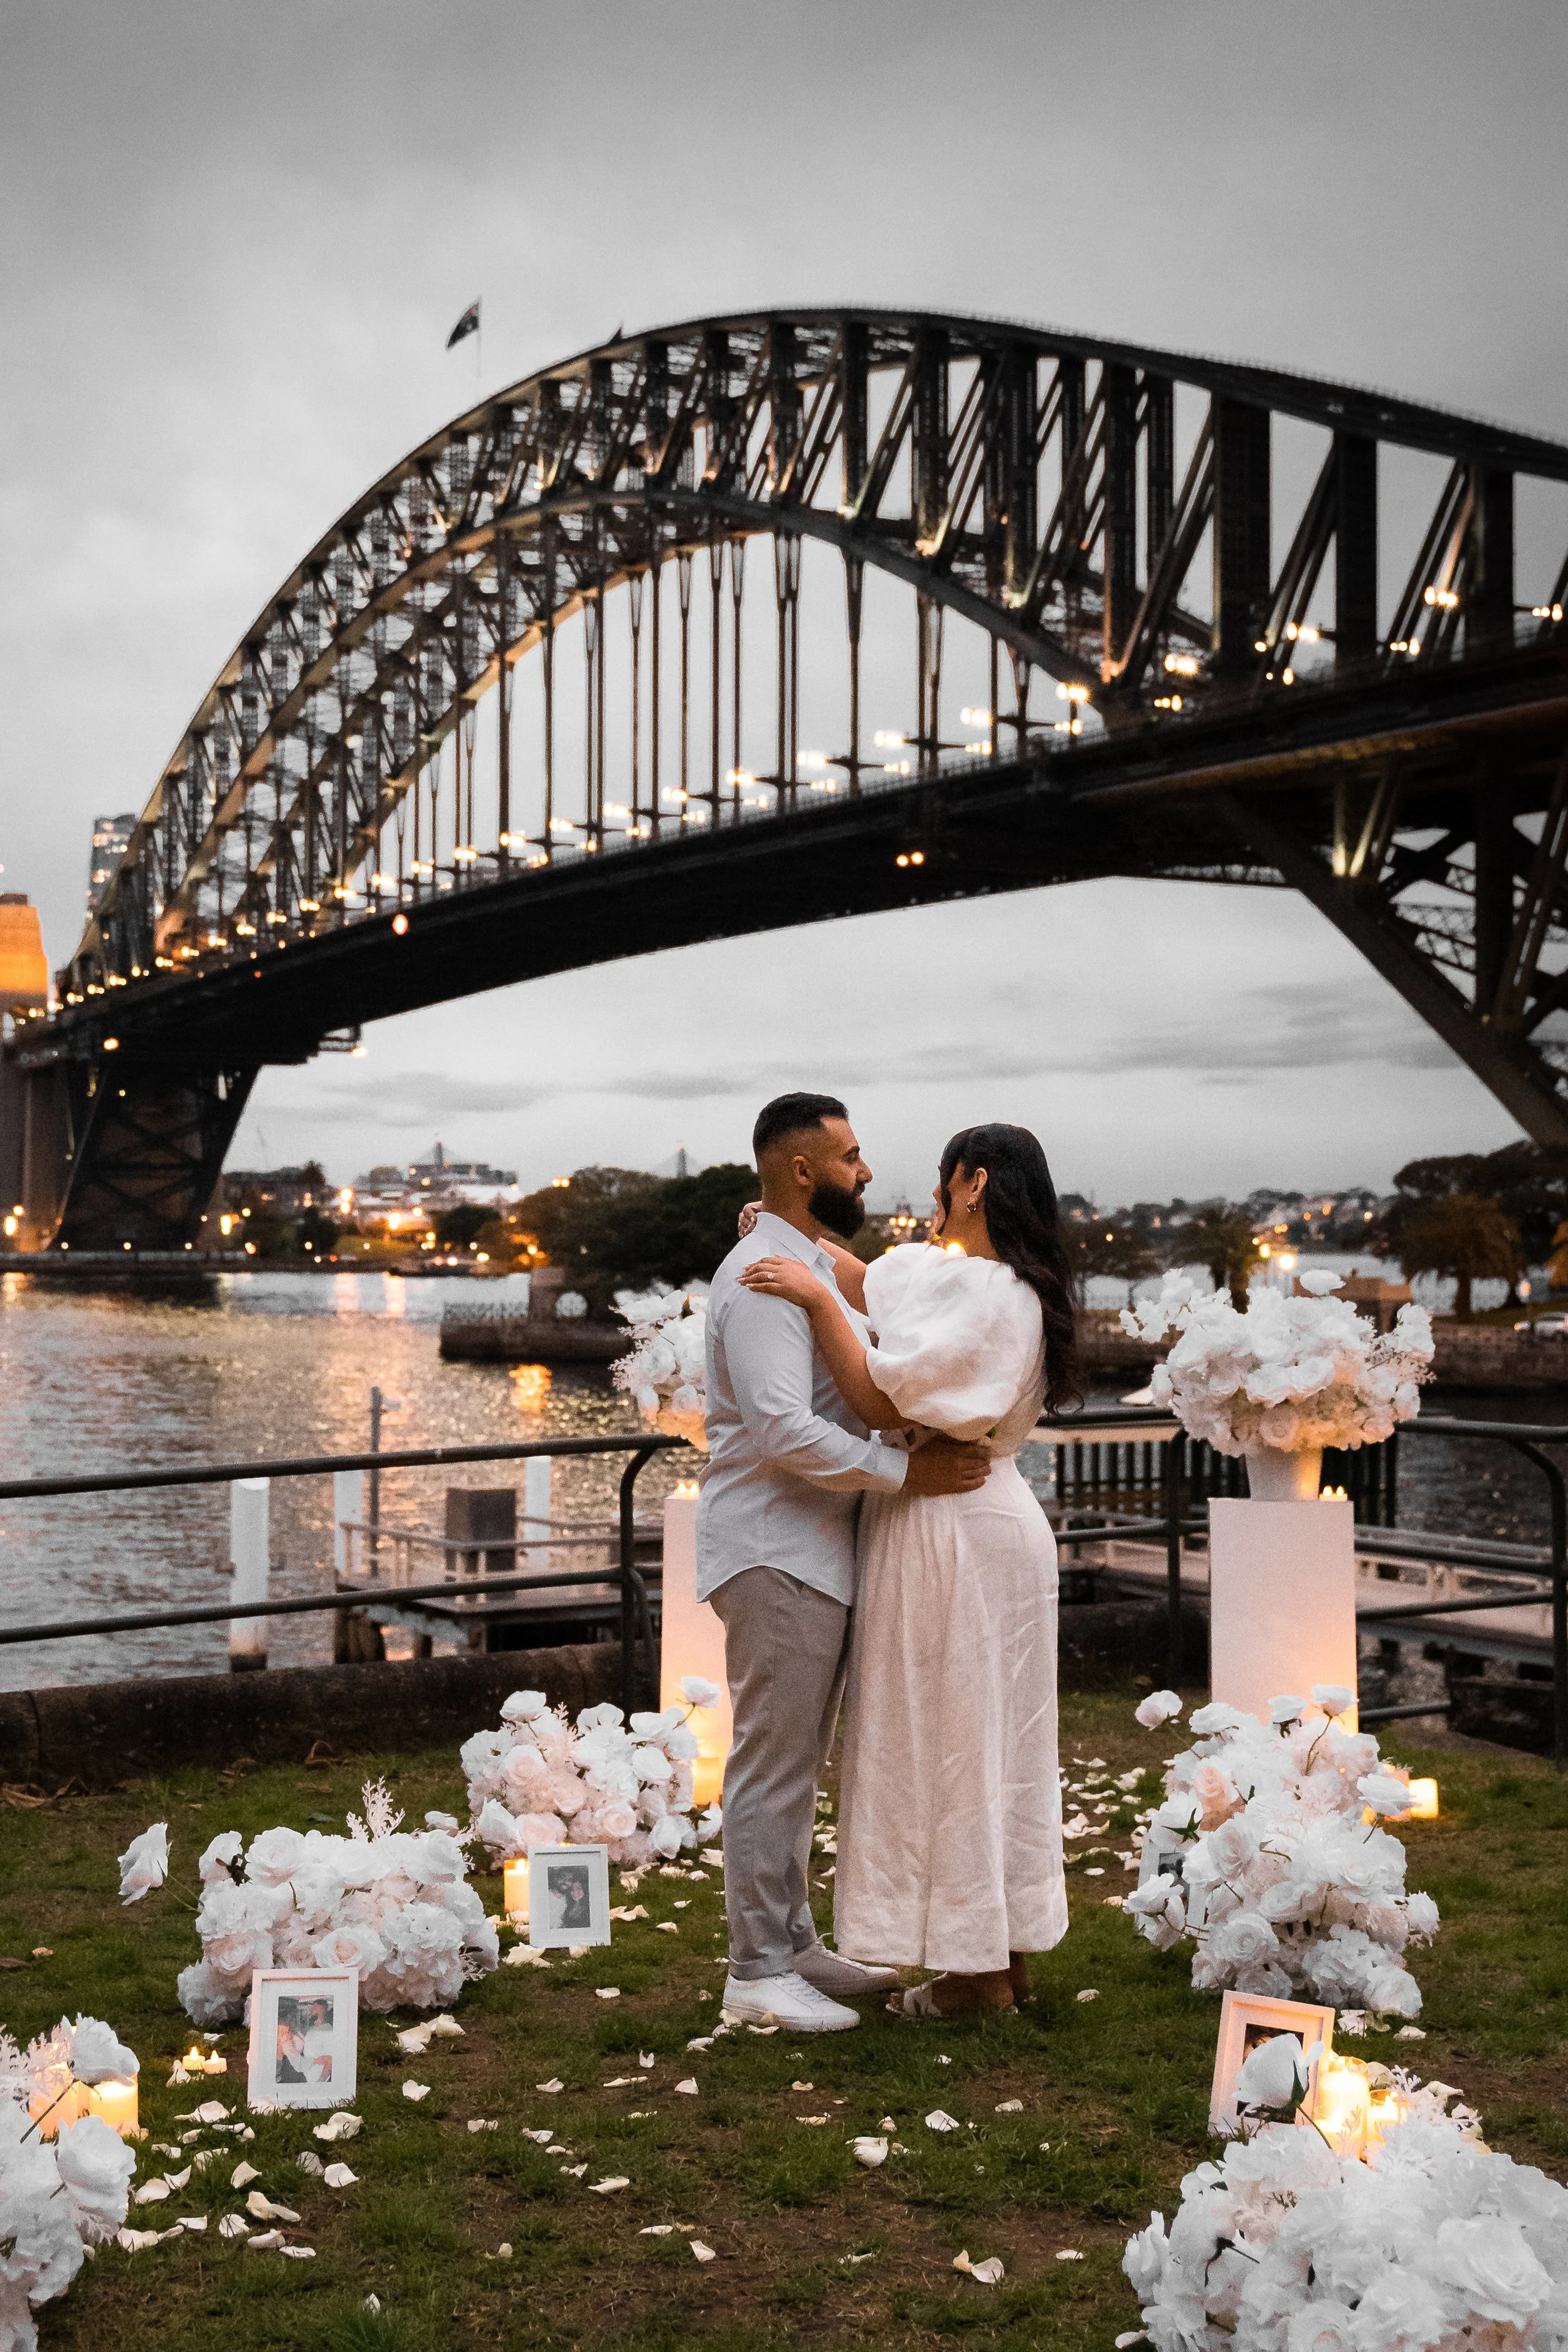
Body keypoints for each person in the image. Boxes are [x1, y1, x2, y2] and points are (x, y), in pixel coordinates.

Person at [738, 1122, 1076, 2016]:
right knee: (987, 1739)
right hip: (969, 1521)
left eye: (941, 1181)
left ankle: (977, 1979)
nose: (929, 1196)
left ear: (971, 1182)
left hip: (952, 1526)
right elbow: (871, 1277)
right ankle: (996, 1956)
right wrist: (792, 1238)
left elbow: (879, 1395)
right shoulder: (959, 1275)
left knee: (952, 1741)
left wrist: (811, 1301)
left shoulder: (991, 1291)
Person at [701, 1093, 995, 2033]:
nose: (867, 1171)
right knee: (771, 1763)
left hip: (809, 1547)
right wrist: (909, 1473)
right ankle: (754, 1972)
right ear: (801, 1169)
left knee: (797, 1761)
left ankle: (791, 1945)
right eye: (852, 1156)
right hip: (773, 1546)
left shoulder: (798, 1264)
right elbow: (784, 1428)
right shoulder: (757, 1278)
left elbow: (868, 1339)